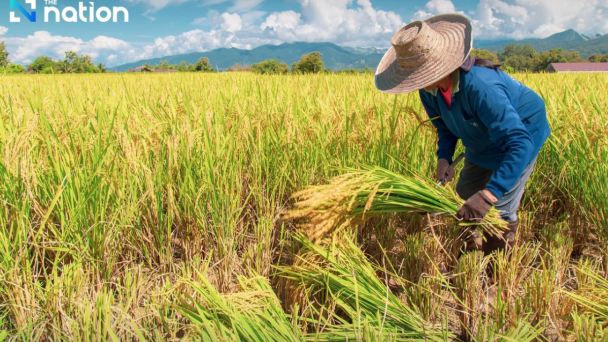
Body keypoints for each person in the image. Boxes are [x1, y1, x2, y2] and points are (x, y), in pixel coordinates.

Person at [374, 14, 551, 254]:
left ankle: (494, 270)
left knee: (498, 209)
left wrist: (489, 195)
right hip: (481, 136)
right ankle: (470, 250)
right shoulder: (429, 90)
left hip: (523, 132)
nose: (416, 82)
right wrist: (444, 158)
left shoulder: (480, 88)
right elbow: (444, 126)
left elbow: (519, 144)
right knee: (465, 194)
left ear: (439, 66)